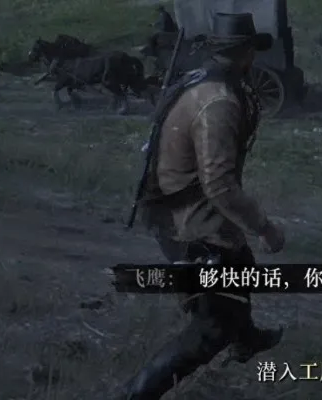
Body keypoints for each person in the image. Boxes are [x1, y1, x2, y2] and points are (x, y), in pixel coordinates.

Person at [115, 12, 286, 400]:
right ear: (247, 54)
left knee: (240, 263)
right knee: (210, 329)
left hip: (179, 205)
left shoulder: (199, 80)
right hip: (188, 219)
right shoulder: (220, 101)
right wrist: (265, 227)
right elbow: (220, 185)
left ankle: (246, 338)